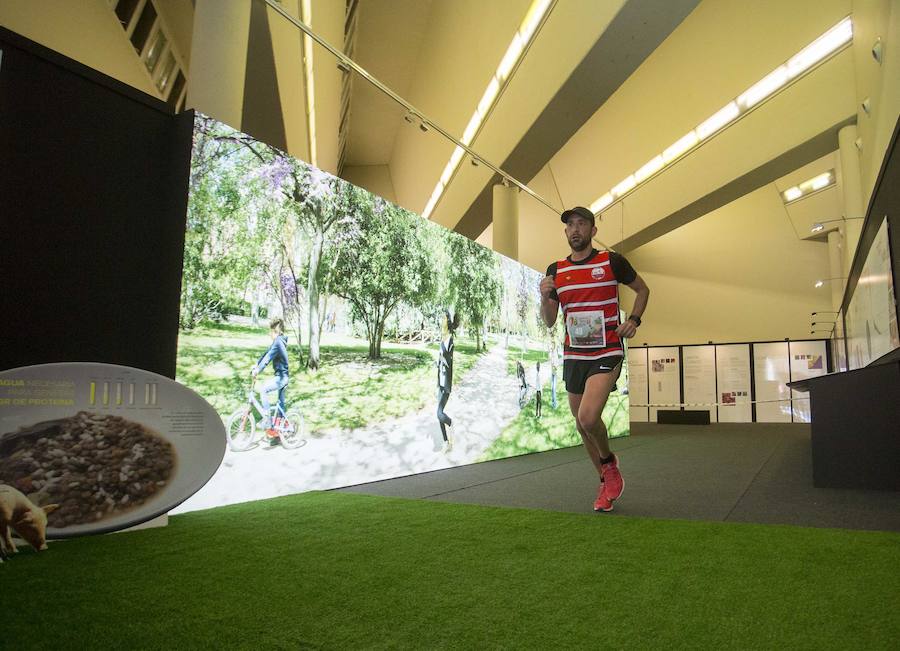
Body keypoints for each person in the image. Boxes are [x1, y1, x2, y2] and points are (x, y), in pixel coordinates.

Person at [540, 206, 650, 512]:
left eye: (581, 224)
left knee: (588, 417)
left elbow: (642, 290)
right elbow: (549, 320)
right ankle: (606, 480)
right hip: (574, 354)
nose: (575, 229)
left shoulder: (611, 261)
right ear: (566, 233)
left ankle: (609, 463)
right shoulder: (556, 270)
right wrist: (543, 296)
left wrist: (634, 320)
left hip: (607, 350)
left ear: (593, 231)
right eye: (570, 225)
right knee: (580, 425)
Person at [251, 318, 290, 447]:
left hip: (282, 377)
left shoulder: (278, 342)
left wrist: (258, 370)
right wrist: (256, 364)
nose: (269, 334)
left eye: (270, 332)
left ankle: (267, 419)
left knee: (263, 389)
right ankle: (278, 435)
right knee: (280, 405)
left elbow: (268, 358)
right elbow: (266, 353)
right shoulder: (278, 341)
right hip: (282, 376)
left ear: (275, 331)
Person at [436, 310, 458, 452]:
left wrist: (442, 360)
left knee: (439, 413)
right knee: (439, 415)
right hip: (440, 382)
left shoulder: (450, 339)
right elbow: (440, 363)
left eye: (443, 318)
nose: (441, 320)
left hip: (446, 384)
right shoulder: (442, 338)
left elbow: (449, 362)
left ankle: (451, 423)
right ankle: (446, 443)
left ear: (447, 321)